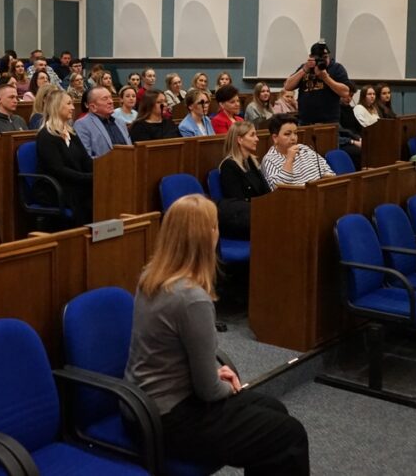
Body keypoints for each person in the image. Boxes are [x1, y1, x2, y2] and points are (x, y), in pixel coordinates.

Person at [124, 194, 309, 473]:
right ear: (206, 237)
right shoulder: (191, 298)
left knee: (274, 411)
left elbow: (174, 355)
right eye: (215, 226)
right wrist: (224, 384)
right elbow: (208, 390)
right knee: (289, 435)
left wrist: (213, 371)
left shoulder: (150, 276)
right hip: (169, 418)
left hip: (142, 407)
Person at [35, 91, 93, 225]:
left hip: (75, 183)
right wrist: (88, 178)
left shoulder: (71, 133)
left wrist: (100, 171)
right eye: (69, 103)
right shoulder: (46, 136)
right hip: (56, 188)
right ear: (56, 106)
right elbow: (58, 170)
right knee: (91, 198)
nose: (73, 107)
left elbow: (86, 160)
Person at [217, 121, 270, 240]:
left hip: (260, 214)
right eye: (252, 135)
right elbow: (238, 202)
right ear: (240, 140)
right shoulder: (229, 166)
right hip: (246, 220)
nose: (257, 139)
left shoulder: (251, 162)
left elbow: (266, 191)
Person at [260, 114, 334, 190]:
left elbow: (328, 172)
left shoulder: (304, 149)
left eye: (295, 133)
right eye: (287, 134)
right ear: (275, 138)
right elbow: (278, 190)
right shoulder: (270, 160)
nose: (293, 138)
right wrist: (289, 160)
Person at [282, 41, 350, 124]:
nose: (323, 61)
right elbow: (287, 86)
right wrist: (303, 70)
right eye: (318, 58)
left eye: (325, 57)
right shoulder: (305, 67)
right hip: (305, 121)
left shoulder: (336, 68)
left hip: (329, 121)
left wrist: (326, 78)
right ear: (311, 57)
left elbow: (346, 92)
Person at [76, 86, 131, 159]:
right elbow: (86, 157)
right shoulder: (82, 125)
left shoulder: (120, 122)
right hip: (102, 169)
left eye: (110, 97)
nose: (111, 101)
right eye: (105, 99)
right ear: (93, 107)